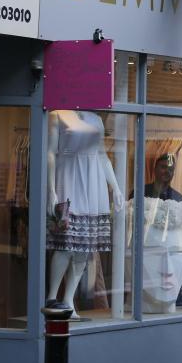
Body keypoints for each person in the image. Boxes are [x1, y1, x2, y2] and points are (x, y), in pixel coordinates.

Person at [46, 109, 124, 316]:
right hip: (68, 177)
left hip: (93, 181)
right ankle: (51, 298)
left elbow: (102, 156)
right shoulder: (58, 114)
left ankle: (68, 301)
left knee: (84, 248)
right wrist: (51, 190)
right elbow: (50, 153)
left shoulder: (96, 119)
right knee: (65, 243)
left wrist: (115, 187)